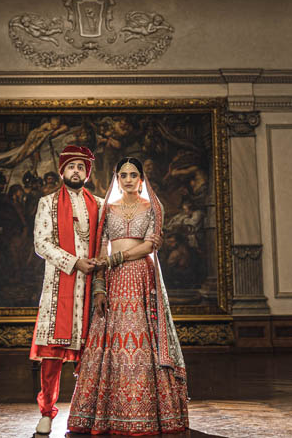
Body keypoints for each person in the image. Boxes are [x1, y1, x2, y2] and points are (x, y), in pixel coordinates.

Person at [67, 157, 189, 436]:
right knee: (110, 340)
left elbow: (148, 246)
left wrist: (116, 259)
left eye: (134, 174)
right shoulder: (106, 209)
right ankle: (105, 415)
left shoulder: (153, 207)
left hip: (141, 278)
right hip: (113, 279)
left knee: (141, 339)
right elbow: (100, 248)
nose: (129, 179)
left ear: (142, 178)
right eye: (124, 175)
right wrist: (99, 287)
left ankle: (145, 414)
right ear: (116, 178)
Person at [30, 145, 104, 436]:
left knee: (92, 355)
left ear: (87, 173)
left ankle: (86, 413)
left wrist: (95, 265)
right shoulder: (47, 202)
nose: (76, 171)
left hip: (93, 287)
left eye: (81, 167)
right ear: (62, 171)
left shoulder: (99, 204)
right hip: (60, 285)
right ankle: (47, 412)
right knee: (52, 356)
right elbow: (41, 244)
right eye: (71, 167)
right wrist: (75, 263)